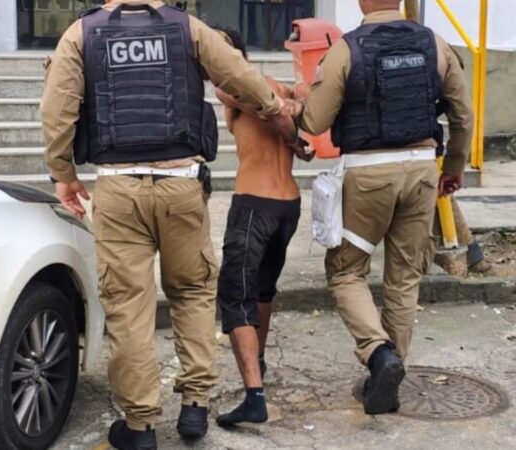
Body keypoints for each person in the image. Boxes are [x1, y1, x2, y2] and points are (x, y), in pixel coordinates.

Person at [41, 1, 297, 448]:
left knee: (129, 307)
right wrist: (276, 109)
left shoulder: (82, 34)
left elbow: (57, 108)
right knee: (193, 292)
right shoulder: (189, 28)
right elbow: (239, 75)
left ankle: (139, 427)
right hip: (181, 185)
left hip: (118, 189)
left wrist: (63, 174)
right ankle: (195, 406)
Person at [286, 0, 473, 415]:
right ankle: (389, 372)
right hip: (423, 170)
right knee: (405, 274)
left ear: (360, 3)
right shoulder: (436, 44)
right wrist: (454, 167)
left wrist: (298, 100)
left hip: (368, 174)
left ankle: (378, 354)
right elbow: (463, 115)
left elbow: (315, 122)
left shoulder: (346, 49)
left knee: (346, 269)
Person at [210, 28, 313, 427]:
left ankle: (254, 396)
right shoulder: (274, 86)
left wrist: (291, 120)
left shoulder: (232, 88)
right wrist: (295, 118)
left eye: (218, 49)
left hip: (254, 205)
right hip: (288, 206)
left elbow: (271, 106)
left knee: (236, 295)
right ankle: (261, 360)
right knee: (263, 290)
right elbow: (294, 102)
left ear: (236, 54)